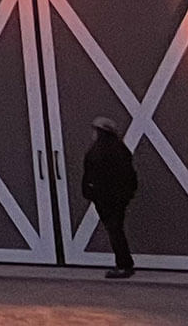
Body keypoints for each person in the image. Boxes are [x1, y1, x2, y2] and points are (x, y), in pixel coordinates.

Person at [82, 116, 138, 278]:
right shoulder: (121, 149)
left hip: (107, 198)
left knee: (114, 231)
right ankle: (125, 263)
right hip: (118, 197)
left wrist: (91, 192)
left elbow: (93, 174)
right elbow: (130, 175)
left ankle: (123, 265)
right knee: (116, 229)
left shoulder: (100, 150)